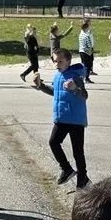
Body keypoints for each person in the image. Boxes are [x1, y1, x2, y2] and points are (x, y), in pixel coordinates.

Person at [29, 48, 90, 188]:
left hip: (75, 119)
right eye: (55, 61)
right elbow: (55, 92)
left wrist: (75, 89)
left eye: (60, 61)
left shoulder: (75, 76)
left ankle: (82, 178)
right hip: (61, 118)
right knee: (53, 142)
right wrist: (40, 86)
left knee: (77, 151)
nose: (57, 64)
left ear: (68, 61)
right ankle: (67, 169)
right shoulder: (58, 75)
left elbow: (84, 95)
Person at [77, 18, 95, 83]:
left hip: (81, 50)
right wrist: (91, 48)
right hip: (87, 52)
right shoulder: (87, 35)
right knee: (88, 65)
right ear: (86, 28)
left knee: (84, 64)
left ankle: (83, 77)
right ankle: (86, 78)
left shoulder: (80, 34)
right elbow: (90, 45)